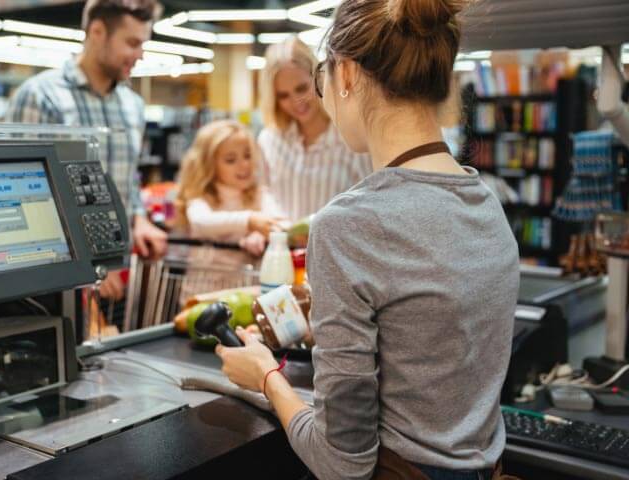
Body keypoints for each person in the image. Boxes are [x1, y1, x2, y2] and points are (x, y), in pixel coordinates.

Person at [216, 1, 520, 480]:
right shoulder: (487, 205)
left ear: (348, 74)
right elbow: (429, 346)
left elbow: (343, 462)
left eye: (321, 76)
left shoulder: (346, 225)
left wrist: (267, 378)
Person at [6, 0, 167, 301]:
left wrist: (138, 218)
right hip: (54, 279)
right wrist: (86, 264)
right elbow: (24, 197)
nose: (140, 55)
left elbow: (126, 178)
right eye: (132, 43)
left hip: (116, 274)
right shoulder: (42, 97)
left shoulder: (132, 106)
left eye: (143, 45)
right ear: (97, 31)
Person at [258, 37, 373, 222]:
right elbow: (261, 190)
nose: (296, 102)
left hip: (336, 248)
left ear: (319, 78)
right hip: (281, 249)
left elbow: (371, 202)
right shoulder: (269, 140)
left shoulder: (351, 139)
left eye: (302, 88)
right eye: (283, 95)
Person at [175, 120, 285, 257]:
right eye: (230, 160)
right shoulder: (201, 197)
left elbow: (281, 224)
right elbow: (200, 222)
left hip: (248, 278)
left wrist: (261, 234)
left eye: (247, 155)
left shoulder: (259, 195)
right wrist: (250, 221)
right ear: (209, 165)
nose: (244, 165)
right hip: (204, 278)